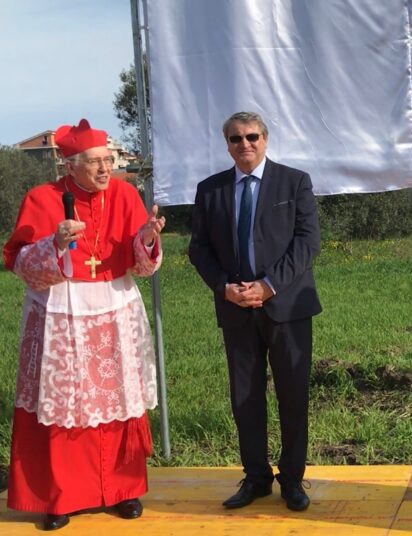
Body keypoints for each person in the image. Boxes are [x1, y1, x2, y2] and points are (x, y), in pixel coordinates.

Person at [3, 119, 166, 531]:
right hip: (63, 310)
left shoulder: (126, 195)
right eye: (95, 162)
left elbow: (140, 264)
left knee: (118, 400)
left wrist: (146, 238)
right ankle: (59, 497)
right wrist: (54, 243)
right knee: (63, 407)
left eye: (108, 160)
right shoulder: (42, 198)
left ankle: (122, 491)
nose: (105, 169)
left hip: (114, 306)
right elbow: (18, 262)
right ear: (69, 165)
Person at [188, 111, 322, 512]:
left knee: (292, 394)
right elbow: (199, 248)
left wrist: (268, 285)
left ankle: (293, 480)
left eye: (251, 137)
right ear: (226, 143)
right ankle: (256, 477)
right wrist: (225, 288)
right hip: (235, 309)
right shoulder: (210, 190)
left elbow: (307, 242)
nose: (244, 144)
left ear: (265, 138)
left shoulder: (294, 181)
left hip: (286, 307)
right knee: (245, 397)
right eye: (235, 139)